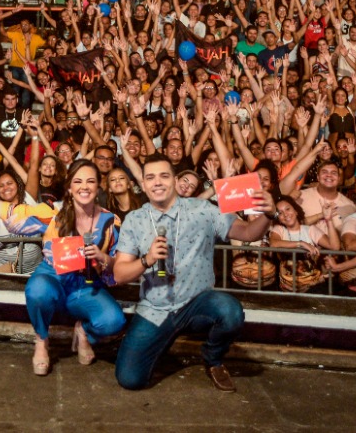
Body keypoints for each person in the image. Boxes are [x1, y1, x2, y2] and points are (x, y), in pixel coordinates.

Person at [0, 158, 124, 376]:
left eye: (90, 181)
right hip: (52, 276)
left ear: (98, 185)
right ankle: (42, 340)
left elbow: (116, 265)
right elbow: (9, 211)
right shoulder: (54, 212)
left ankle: (83, 332)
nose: (84, 186)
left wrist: (103, 257)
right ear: (70, 187)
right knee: (37, 291)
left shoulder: (112, 221)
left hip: (85, 283)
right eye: (78, 181)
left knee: (114, 321)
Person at [111, 153, 276, 392]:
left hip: (196, 304)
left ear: (175, 180)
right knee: (130, 379)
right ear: (143, 184)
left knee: (230, 311)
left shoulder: (203, 209)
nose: (157, 182)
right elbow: (119, 274)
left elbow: (249, 233)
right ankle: (159, 341)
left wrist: (268, 215)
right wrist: (146, 260)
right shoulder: (135, 220)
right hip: (155, 308)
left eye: (164, 176)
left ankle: (213, 358)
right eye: (151, 177)